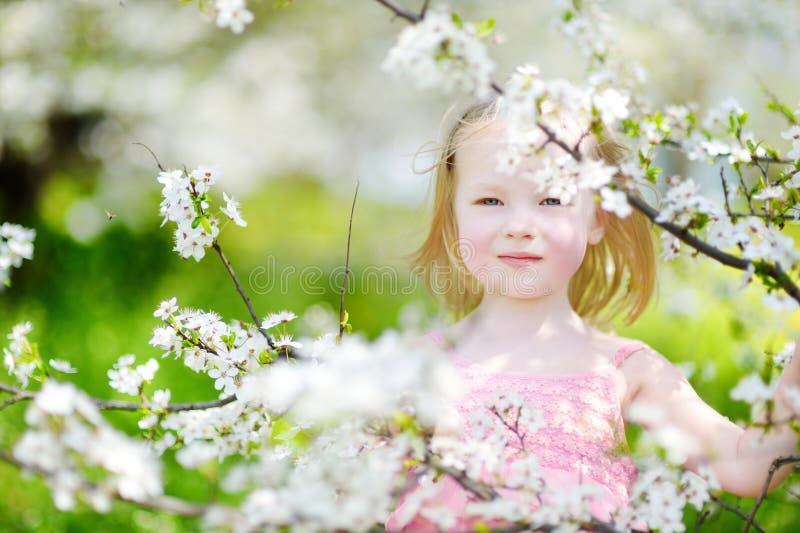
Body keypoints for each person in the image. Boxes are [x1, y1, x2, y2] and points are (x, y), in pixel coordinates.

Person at [384, 99, 800, 531]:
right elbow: (344, 503)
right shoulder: (410, 369)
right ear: (453, 219)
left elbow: (747, 466)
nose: (520, 225)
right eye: (490, 200)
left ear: (597, 219)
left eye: (551, 199)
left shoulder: (628, 369)